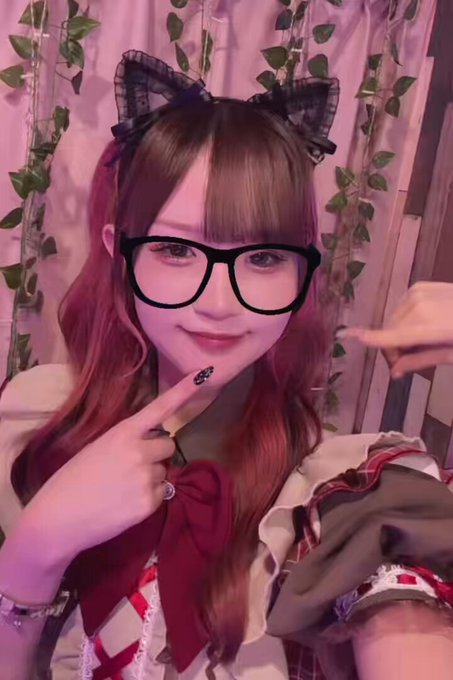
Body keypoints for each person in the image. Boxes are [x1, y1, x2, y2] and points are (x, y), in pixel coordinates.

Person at [1, 51, 453, 680]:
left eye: (264, 258)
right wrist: (35, 550)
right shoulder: (31, 420)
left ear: (303, 270)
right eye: (175, 249)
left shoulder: (343, 491)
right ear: (120, 253)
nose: (218, 303)